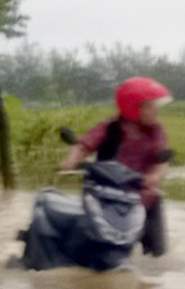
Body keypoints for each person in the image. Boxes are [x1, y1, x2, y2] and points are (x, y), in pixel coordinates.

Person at [59, 77, 173, 256]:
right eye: (150, 106)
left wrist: (155, 177)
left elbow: (162, 160)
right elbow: (83, 146)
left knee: (157, 255)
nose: (156, 110)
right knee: (85, 236)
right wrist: (70, 161)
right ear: (133, 107)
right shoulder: (109, 127)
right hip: (106, 190)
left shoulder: (156, 131)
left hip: (142, 192)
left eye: (155, 105)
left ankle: (154, 255)